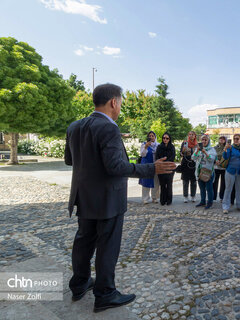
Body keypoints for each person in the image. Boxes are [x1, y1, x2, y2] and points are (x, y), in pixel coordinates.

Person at [65, 83, 176, 312]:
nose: (121, 106)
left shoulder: (74, 127)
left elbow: (70, 160)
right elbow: (116, 166)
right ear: (114, 102)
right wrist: (150, 169)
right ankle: (105, 293)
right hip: (108, 199)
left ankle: (79, 283)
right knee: (107, 245)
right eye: (121, 102)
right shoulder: (109, 128)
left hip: (83, 196)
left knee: (83, 241)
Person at [222, 133, 240, 214]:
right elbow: (226, 157)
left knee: (239, 189)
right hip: (230, 171)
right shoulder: (231, 147)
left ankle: (239, 205)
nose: (236, 140)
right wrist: (225, 149)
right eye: (235, 139)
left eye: (237, 139)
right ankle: (225, 206)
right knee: (228, 189)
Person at [193, 135, 216, 209]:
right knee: (202, 188)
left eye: (205, 140)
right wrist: (197, 151)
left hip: (208, 172)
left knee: (209, 188)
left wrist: (205, 152)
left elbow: (211, 159)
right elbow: (193, 158)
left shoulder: (212, 149)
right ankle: (202, 201)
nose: (203, 141)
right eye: (202, 140)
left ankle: (210, 202)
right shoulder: (198, 149)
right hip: (200, 172)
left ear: (208, 141)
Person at [138, 131, 160, 204]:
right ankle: (145, 198)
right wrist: (146, 147)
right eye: (149, 136)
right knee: (146, 182)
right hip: (146, 165)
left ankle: (155, 197)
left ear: (155, 137)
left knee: (155, 182)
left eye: (152, 136)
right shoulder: (144, 144)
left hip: (155, 165)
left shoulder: (158, 145)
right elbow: (142, 154)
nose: (151, 137)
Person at [155, 132, 175, 206]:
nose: (165, 139)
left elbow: (173, 157)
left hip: (169, 168)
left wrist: (166, 163)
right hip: (161, 168)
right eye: (164, 138)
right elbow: (157, 157)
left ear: (169, 139)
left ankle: (169, 200)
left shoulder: (172, 147)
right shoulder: (159, 147)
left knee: (169, 185)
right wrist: (162, 163)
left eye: (167, 138)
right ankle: (163, 200)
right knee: (162, 185)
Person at [180, 131, 198, 203]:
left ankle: (193, 196)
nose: (191, 136)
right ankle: (185, 196)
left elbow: (199, 153)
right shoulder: (184, 143)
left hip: (194, 163)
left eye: (192, 134)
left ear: (195, 136)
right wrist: (183, 151)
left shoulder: (197, 145)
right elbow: (181, 154)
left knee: (193, 181)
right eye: (189, 134)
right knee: (185, 180)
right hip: (185, 163)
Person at [213, 136, 227, 202]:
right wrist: (215, 160)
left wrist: (221, 161)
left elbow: (227, 156)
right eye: (220, 139)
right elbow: (213, 155)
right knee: (215, 182)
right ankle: (213, 197)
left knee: (223, 183)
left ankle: (222, 197)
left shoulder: (226, 148)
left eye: (223, 139)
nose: (221, 140)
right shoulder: (215, 148)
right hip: (216, 167)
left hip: (224, 167)